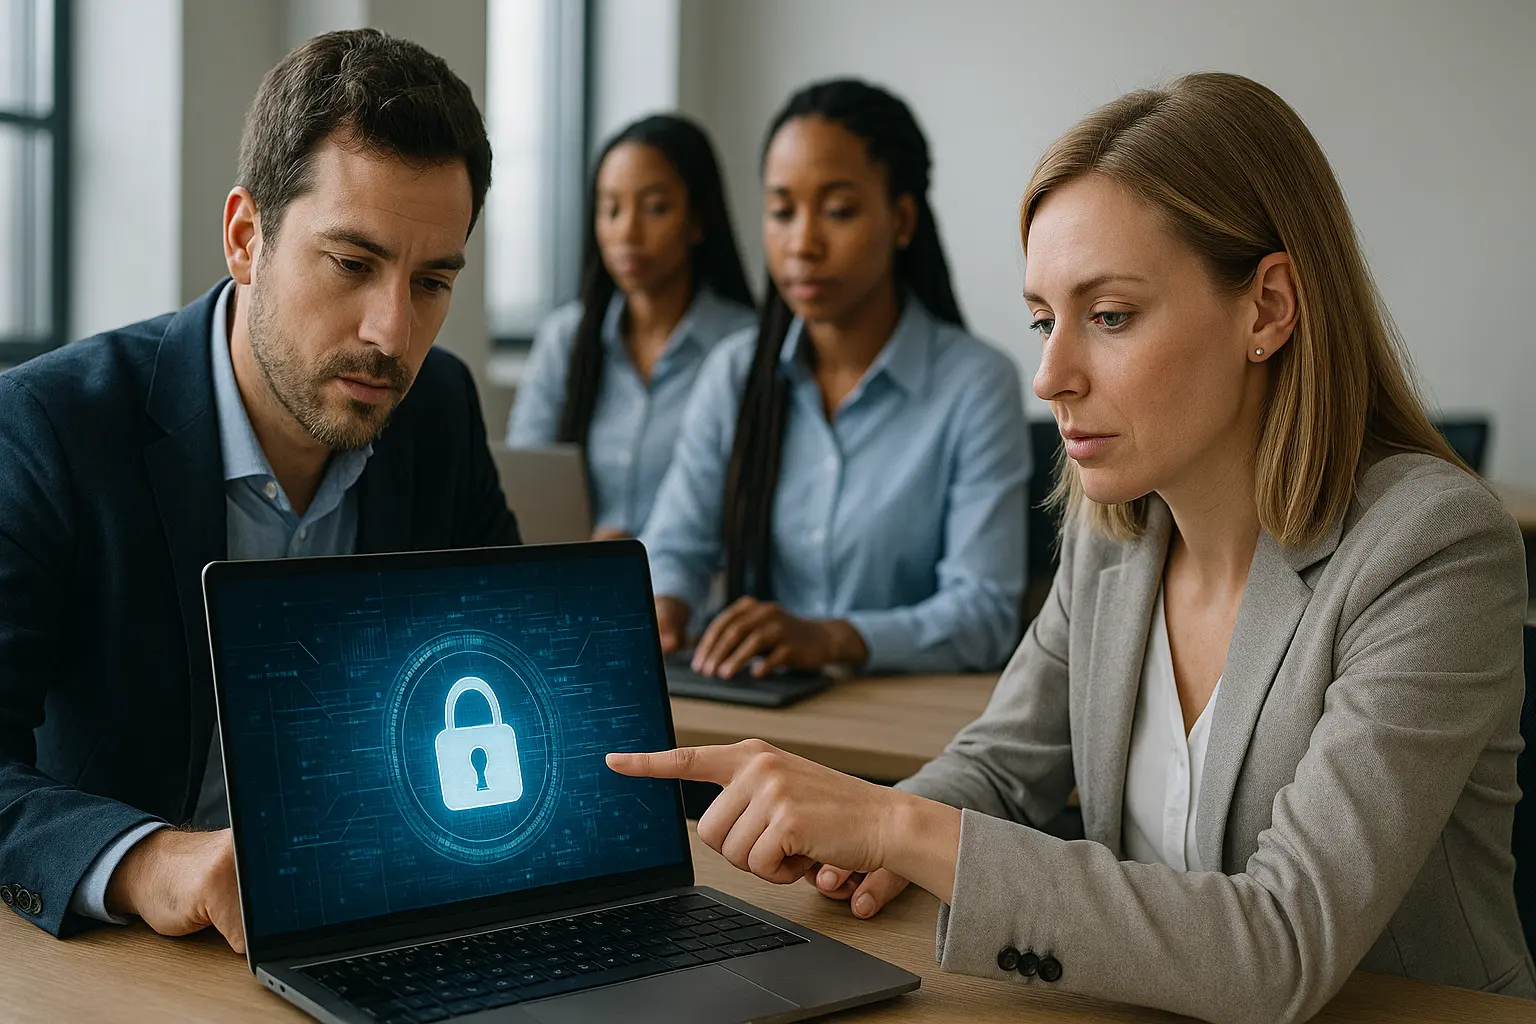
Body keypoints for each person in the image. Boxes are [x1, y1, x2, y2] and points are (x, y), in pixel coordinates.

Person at [609, 71, 1534, 1021]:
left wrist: (898, 822)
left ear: (1266, 308)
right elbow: (1002, 771)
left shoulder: (1431, 548)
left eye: (1111, 316)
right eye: (1045, 320)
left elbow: (1280, 947)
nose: (1050, 376)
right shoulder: (1117, 533)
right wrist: (859, 840)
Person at [0, 29, 519, 953]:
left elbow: (521, 675)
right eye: (353, 264)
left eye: (432, 281)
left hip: (388, 920)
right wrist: (150, 860)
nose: (393, 334)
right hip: (141, 961)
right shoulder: (50, 426)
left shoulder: (436, 410)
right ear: (246, 237)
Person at [639, 79, 1029, 679]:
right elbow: (675, 545)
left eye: (839, 211)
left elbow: (984, 615)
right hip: (760, 712)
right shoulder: (737, 373)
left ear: (901, 220)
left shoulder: (976, 385)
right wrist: (664, 609)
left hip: (896, 727)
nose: (803, 244)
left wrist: (833, 638)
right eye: (781, 211)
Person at [506, 114, 756, 540]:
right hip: (575, 581)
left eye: (656, 208)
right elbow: (525, 485)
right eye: (611, 209)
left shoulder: (744, 347)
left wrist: (639, 556)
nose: (627, 231)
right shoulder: (566, 338)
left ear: (697, 220)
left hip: (697, 598)